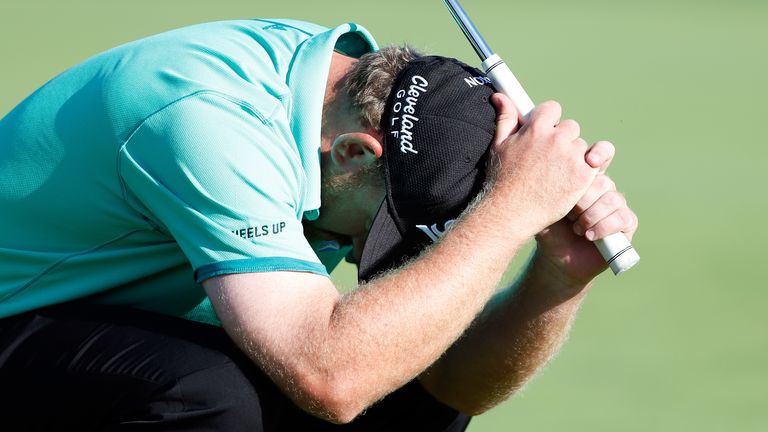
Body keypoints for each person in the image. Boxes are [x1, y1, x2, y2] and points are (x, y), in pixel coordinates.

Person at [0, 18, 638, 431]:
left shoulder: (336, 102)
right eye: (390, 227)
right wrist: (506, 214)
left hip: (105, 321)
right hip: (15, 320)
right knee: (205, 396)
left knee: (402, 382)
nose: (374, 254)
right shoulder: (210, 125)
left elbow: (446, 384)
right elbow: (331, 377)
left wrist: (558, 277)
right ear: (356, 153)